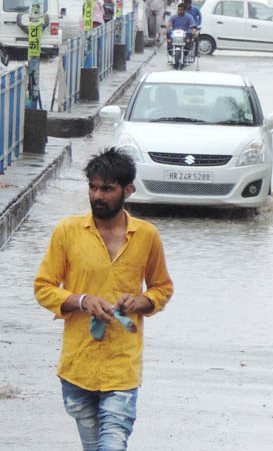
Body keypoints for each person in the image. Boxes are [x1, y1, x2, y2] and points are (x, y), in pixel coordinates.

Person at [34, 149, 173, 451]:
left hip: (122, 369)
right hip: (77, 367)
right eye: (93, 187)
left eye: (107, 189)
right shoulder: (67, 231)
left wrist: (143, 301)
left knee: (111, 446)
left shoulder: (147, 236)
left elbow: (162, 288)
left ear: (128, 191)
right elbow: (43, 287)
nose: (98, 195)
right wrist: (82, 300)